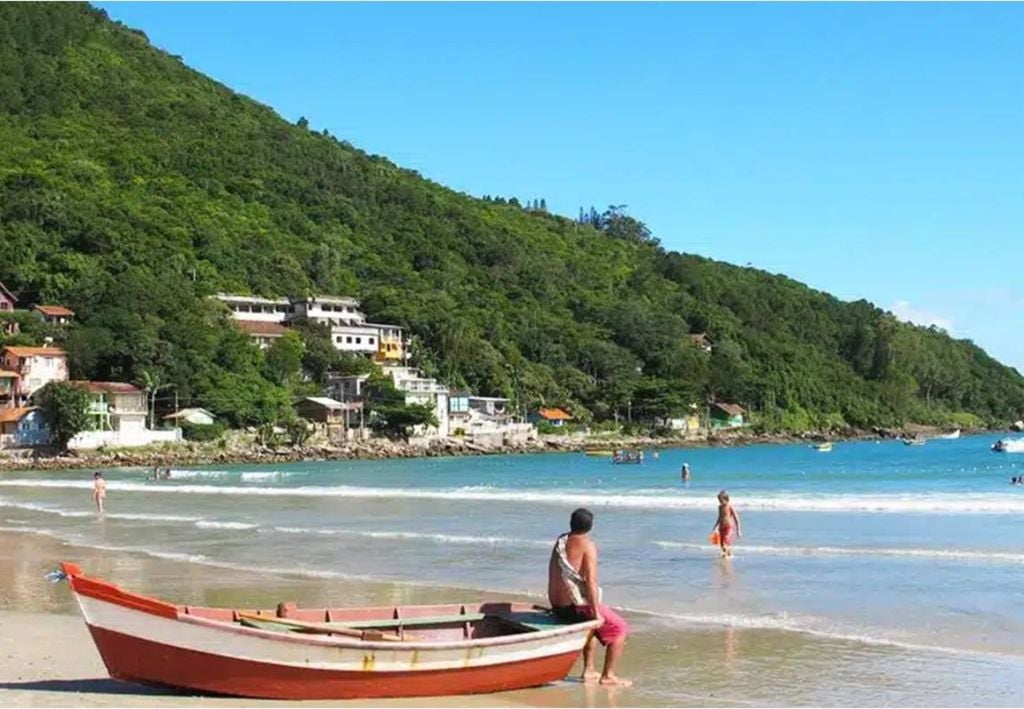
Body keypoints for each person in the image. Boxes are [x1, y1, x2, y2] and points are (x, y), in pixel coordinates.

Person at [548, 508, 632, 687]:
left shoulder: (561, 541)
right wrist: (595, 613)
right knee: (620, 628)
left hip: (557, 605)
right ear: (590, 527)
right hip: (573, 607)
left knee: (591, 623)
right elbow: (591, 582)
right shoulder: (587, 545)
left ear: (571, 523)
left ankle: (588, 670)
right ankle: (608, 676)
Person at [712, 490, 741, 558]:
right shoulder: (720, 507)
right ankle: (728, 554)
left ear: (726, 499)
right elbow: (719, 517)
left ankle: (726, 555)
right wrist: (715, 525)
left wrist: (738, 530)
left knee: (726, 541)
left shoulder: (730, 507)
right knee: (721, 544)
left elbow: (736, 518)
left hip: (728, 527)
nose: (720, 502)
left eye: (721, 500)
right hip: (721, 527)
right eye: (719, 500)